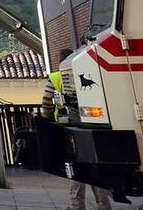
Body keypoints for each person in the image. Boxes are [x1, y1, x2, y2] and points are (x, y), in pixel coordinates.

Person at [43, 48, 112, 210]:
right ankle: (104, 204)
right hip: (92, 125)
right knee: (95, 166)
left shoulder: (54, 77)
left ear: (61, 61)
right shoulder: (88, 73)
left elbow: (46, 101)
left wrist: (45, 117)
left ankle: (76, 205)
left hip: (67, 126)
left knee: (75, 168)